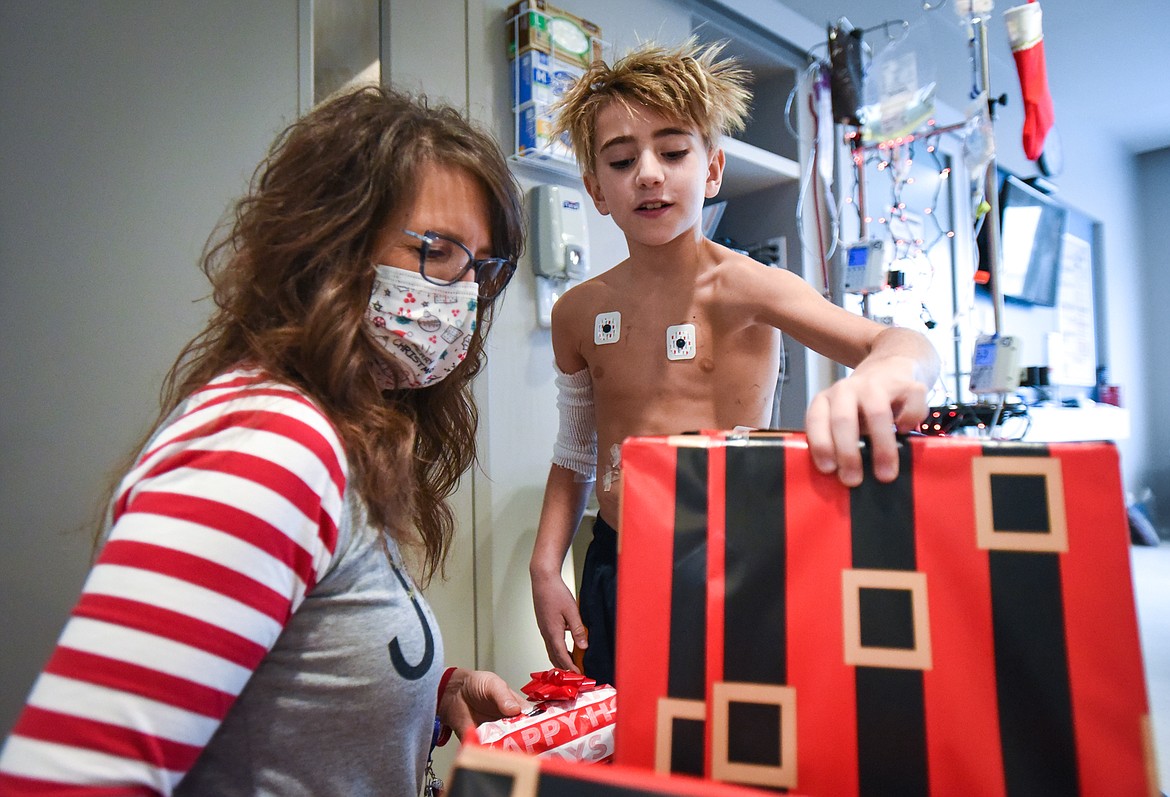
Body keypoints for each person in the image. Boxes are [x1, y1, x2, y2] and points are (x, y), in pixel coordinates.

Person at [0, 84, 527, 796]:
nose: (463, 295)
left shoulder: (339, 438)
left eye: (483, 268)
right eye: (437, 251)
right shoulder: (273, 444)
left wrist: (432, 692)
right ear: (330, 245)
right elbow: (64, 779)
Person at [529, 39, 941, 687]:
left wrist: (889, 374)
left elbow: (901, 345)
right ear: (595, 188)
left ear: (713, 168)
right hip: (617, 558)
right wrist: (546, 566)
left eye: (672, 152)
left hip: (735, 554)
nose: (648, 173)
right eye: (621, 158)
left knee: (736, 737)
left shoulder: (748, 287)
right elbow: (576, 452)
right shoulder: (577, 313)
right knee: (631, 738)